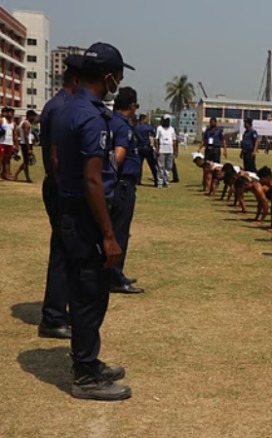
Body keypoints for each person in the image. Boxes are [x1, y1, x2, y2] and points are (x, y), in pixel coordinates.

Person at [51, 42, 134, 400]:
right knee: (89, 293)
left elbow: (57, 164)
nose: (119, 81)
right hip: (86, 217)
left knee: (86, 289)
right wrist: (108, 234)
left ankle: (89, 360)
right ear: (108, 77)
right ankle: (85, 374)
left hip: (71, 210)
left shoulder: (67, 108)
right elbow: (92, 179)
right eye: (119, 75)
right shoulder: (90, 116)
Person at [36, 60, 80, 339]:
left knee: (66, 249)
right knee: (64, 251)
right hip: (61, 187)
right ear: (76, 80)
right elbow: (56, 157)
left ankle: (59, 310)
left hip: (56, 185)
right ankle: (53, 316)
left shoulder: (56, 104)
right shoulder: (64, 107)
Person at [108, 87, 144, 294]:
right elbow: (117, 158)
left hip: (118, 184)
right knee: (119, 232)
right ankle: (115, 277)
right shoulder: (122, 126)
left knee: (114, 230)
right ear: (132, 106)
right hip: (122, 185)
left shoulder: (111, 121)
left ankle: (113, 273)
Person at [13, 110, 37, 182]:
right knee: (26, 162)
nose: (34, 118)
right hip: (26, 144)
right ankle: (27, 178)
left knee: (25, 161)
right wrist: (29, 149)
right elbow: (26, 136)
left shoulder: (22, 123)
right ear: (30, 116)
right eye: (33, 116)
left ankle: (16, 174)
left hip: (25, 143)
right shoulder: (26, 124)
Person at [155, 115, 177, 188]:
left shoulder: (172, 129)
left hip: (170, 148)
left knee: (169, 166)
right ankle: (160, 182)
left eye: (168, 120)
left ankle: (166, 181)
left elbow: (174, 140)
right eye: (165, 120)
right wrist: (157, 149)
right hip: (162, 148)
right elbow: (156, 139)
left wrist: (175, 150)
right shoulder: (159, 128)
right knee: (161, 166)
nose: (167, 121)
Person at [134, 114, 157, 185]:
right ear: (143, 119)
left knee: (139, 165)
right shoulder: (148, 127)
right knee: (152, 165)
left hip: (139, 147)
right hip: (147, 147)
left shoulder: (136, 127)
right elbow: (154, 133)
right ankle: (156, 179)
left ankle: (137, 180)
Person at [0, 107, 16, 180]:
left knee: (7, 160)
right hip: (1, 142)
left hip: (9, 143)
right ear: (7, 113)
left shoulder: (13, 123)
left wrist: (16, 145)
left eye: (13, 113)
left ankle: (6, 174)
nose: (12, 114)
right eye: (10, 113)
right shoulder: (2, 120)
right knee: (0, 159)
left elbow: (15, 135)